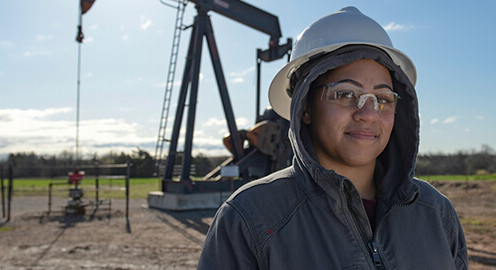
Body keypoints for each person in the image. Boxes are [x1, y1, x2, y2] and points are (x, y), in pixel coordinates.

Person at [197, 6, 468, 269]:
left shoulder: (436, 213)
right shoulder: (249, 219)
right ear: (305, 108)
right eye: (345, 94)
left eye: (383, 99)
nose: (368, 114)